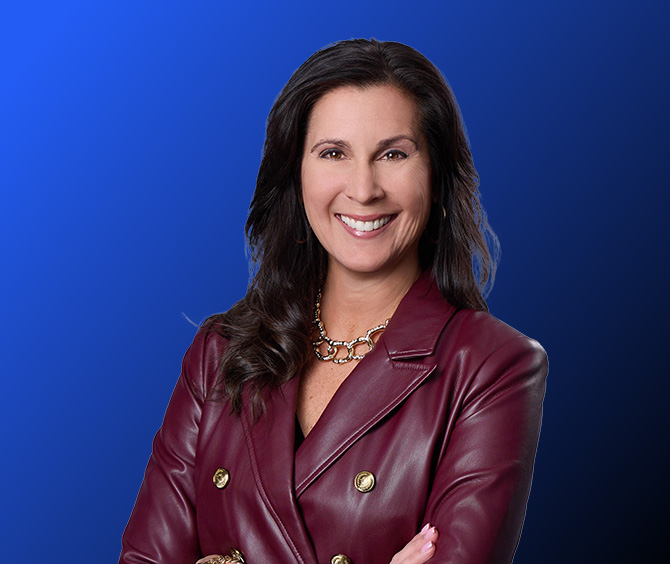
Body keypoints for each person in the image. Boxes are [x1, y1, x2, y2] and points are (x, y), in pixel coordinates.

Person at [120, 38, 548, 564]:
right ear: (295, 173)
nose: (363, 189)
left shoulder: (492, 366)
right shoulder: (218, 353)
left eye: (393, 154)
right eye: (333, 153)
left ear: (436, 176)